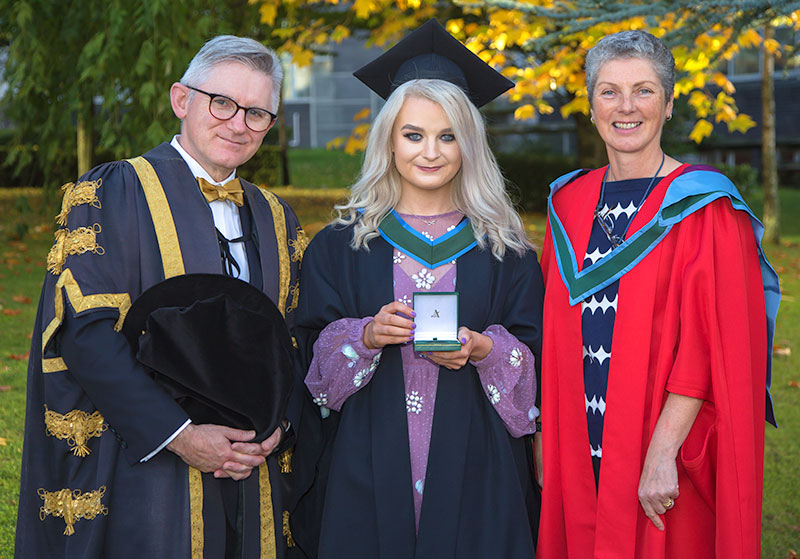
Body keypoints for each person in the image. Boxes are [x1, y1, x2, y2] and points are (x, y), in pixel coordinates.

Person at [15, 36, 308, 558]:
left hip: (251, 466)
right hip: (146, 464)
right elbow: (87, 335)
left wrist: (277, 428)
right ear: (182, 99)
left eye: (258, 113)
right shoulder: (114, 192)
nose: (238, 123)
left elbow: (291, 337)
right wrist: (180, 435)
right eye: (223, 103)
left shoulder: (276, 217)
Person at [291, 19, 543, 559]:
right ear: (388, 139)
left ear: (469, 144)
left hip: (479, 469)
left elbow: (540, 370)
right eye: (414, 135)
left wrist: (485, 348)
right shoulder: (340, 246)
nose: (431, 152)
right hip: (364, 465)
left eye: (448, 136)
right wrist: (364, 335)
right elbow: (309, 374)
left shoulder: (507, 250)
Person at [538, 30, 780, 558]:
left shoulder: (705, 208)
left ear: (669, 105)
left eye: (644, 91)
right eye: (609, 91)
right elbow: (551, 334)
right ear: (591, 102)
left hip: (660, 449)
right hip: (580, 442)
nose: (626, 107)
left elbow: (709, 345)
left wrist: (663, 451)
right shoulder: (569, 203)